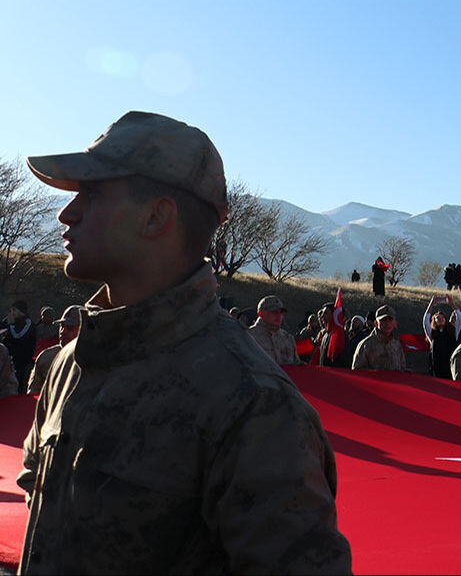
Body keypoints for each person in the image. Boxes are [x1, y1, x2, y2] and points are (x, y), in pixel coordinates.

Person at [18, 110, 350, 573]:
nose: (65, 213)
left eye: (91, 194)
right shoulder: (72, 364)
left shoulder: (251, 402)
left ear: (156, 216)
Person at [27, 307, 81, 395]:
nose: (63, 332)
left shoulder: (97, 359)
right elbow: (33, 394)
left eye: (70, 328)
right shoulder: (46, 358)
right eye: (62, 326)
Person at [247, 294, 302, 367]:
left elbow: (297, 366)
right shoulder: (248, 337)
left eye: (281, 312)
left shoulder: (288, 338)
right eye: (274, 312)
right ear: (260, 313)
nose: (279, 316)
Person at [352, 305, 408, 371]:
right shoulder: (366, 345)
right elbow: (357, 373)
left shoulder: (397, 346)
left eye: (390, 320)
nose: (387, 323)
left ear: (395, 323)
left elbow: (402, 369)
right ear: (376, 323)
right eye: (383, 320)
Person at [424, 297, 461, 378]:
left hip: (452, 369)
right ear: (434, 321)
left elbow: (460, 319)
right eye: (437, 318)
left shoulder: (453, 333)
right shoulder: (432, 334)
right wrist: (431, 304)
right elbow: (425, 321)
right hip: (437, 370)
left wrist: (452, 305)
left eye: (442, 317)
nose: (440, 319)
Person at [4, 300, 37, 389]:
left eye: (14, 310)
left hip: (23, 364)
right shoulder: (11, 321)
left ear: (20, 311)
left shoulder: (28, 324)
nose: (12, 313)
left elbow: (19, 337)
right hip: (11, 363)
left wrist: (10, 326)